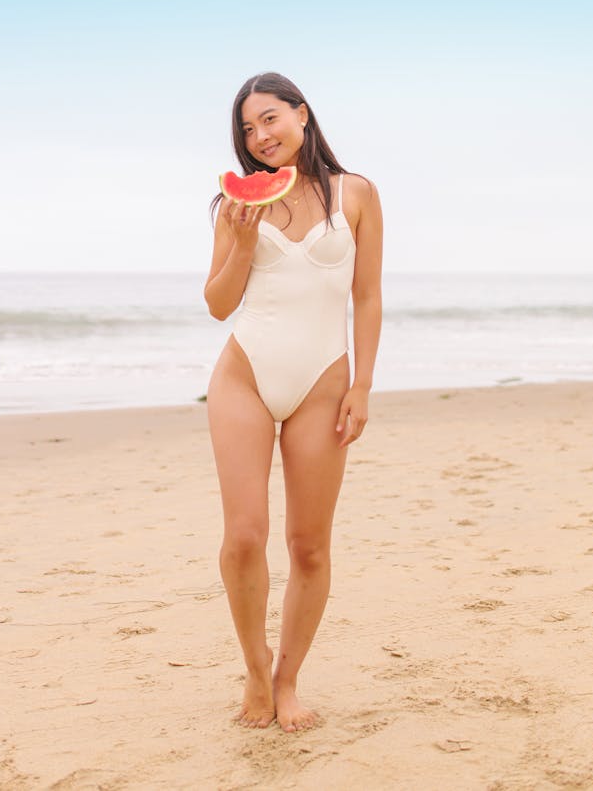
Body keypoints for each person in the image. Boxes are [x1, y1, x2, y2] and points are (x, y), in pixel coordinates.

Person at [204, 71, 383, 732]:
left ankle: (287, 679)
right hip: (245, 376)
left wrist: (362, 385)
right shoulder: (234, 206)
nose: (260, 137)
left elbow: (367, 295)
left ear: (302, 114)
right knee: (245, 535)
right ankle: (253, 669)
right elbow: (218, 303)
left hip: (324, 383)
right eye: (249, 129)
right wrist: (244, 239)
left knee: (309, 546)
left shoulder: (357, 193)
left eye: (270, 119)